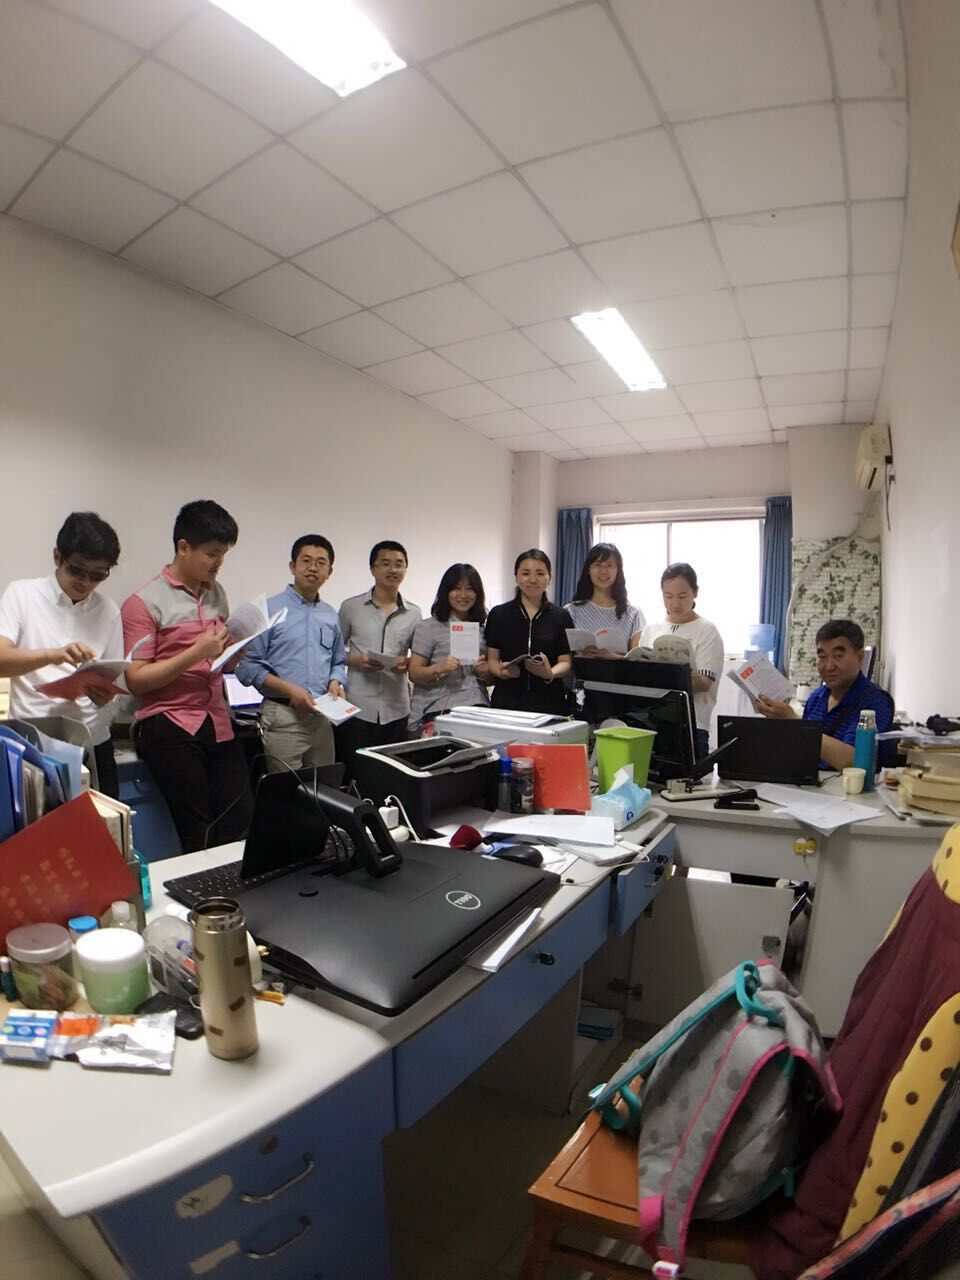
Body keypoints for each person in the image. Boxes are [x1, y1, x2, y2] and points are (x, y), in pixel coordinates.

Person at [121, 499, 253, 853]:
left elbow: (218, 663)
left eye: (223, 555)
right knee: (199, 829)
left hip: (216, 718)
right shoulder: (143, 603)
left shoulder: (217, 594)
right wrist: (196, 652)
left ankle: (232, 883)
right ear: (183, 547)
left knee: (240, 816)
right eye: (212, 554)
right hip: (168, 723)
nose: (218, 563)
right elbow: (136, 680)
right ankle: (204, 889)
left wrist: (233, 654)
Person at [0, 512, 123, 797]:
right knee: (39, 825)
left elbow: (113, 677)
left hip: (93, 740)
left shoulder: (108, 610)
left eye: (97, 575)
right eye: (77, 570)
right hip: (34, 740)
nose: (85, 581)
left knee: (107, 822)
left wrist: (106, 695)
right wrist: (53, 655)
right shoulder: (23, 594)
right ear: (58, 557)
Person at [235, 535, 347, 771]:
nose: (313, 568)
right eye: (306, 561)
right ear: (292, 566)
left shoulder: (330, 614)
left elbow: (338, 662)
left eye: (321, 563)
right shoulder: (268, 610)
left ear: (329, 572)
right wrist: (289, 690)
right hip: (283, 716)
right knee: (286, 790)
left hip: (322, 718)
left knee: (323, 788)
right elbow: (247, 667)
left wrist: (336, 682)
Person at [757, 618, 894, 770]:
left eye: (838, 656)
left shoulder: (876, 701)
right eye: (822, 657)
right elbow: (802, 747)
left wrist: (793, 721)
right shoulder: (816, 698)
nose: (828, 666)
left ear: (860, 658)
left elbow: (852, 761)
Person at [337, 540, 421, 772]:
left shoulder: (414, 613)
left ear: (405, 569)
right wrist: (356, 660)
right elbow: (333, 653)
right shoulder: (351, 607)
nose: (392, 569)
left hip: (397, 708)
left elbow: (419, 657)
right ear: (372, 569)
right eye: (385, 563)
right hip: (358, 708)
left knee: (392, 774)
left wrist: (408, 663)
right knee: (357, 773)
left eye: (398, 564)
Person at [639, 562, 724, 759]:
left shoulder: (706, 630)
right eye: (668, 596)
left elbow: (704, 683)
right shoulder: (651, 630)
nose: (675, 604)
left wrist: (661, 676)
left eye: (682, 596)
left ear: (695, 593)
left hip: (692, 725)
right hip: (651, 722)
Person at [485, 549, 573, 716]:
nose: (533, 579)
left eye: (540, 573)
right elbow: (492, 659)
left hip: (550, 703)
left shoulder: (561, 616)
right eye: (526, 573)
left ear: (549, 578)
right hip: (507, 702)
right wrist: (501, 672)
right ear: (516, 576)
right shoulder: (499, 614)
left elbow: (566, 662)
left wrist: (550, 673)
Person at [408, 563, 491, 735]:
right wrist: (441, 668)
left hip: (478, 707)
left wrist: (485, 672)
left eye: (469, 589)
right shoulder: (428, 627)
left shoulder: (484, 628)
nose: (463, 595)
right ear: (446, 592)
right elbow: (414, 673)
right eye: (456, 588)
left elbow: (491, 679)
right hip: (440, 707)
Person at [565, 542, 645, 656]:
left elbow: (638, 660)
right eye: (597, 565)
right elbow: (563, 657)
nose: (603, 571)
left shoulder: (634, 614)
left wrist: (614, 657)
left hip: (619, 668)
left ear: (618, 571)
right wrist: (582, 655)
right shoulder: (571, 611)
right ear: (588, 570)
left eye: (609, 565)